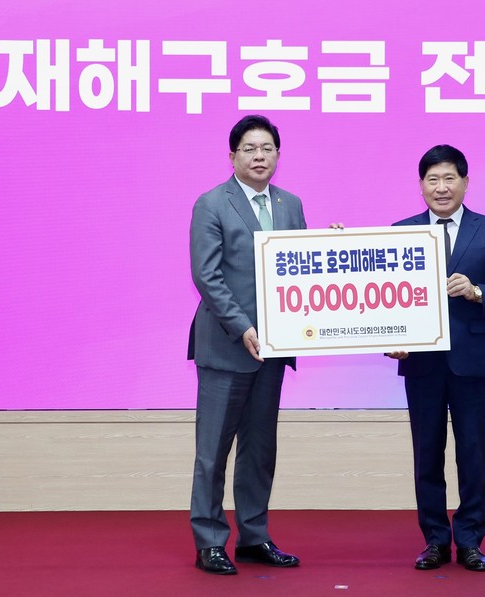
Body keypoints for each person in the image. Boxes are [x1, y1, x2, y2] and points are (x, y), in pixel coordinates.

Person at [386, 144, 485, 572]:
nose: (441, 187)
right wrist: (391, 338)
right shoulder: (400, 232)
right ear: (421, 186)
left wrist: (478, 291)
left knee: (472, 453)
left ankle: (469, 541)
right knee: (426, 454)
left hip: (473, 361)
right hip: (422, 363)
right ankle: (434, 541)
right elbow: (385, 299)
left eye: (449, 178)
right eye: (433, 179)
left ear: (465, 182)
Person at [187, 114, 305, 575]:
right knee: (213, 452)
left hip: (273, 347)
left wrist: (331, 249)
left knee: (259, 450)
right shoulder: (212, 203)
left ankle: (254, 537)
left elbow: (301, 267)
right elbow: (207, 276)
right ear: (232, 156)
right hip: (226, 346)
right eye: (250, 149)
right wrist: (242, 327)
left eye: (267, 148)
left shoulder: (291, 204)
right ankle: (209, 541)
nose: (259, 156)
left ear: (278, 155)